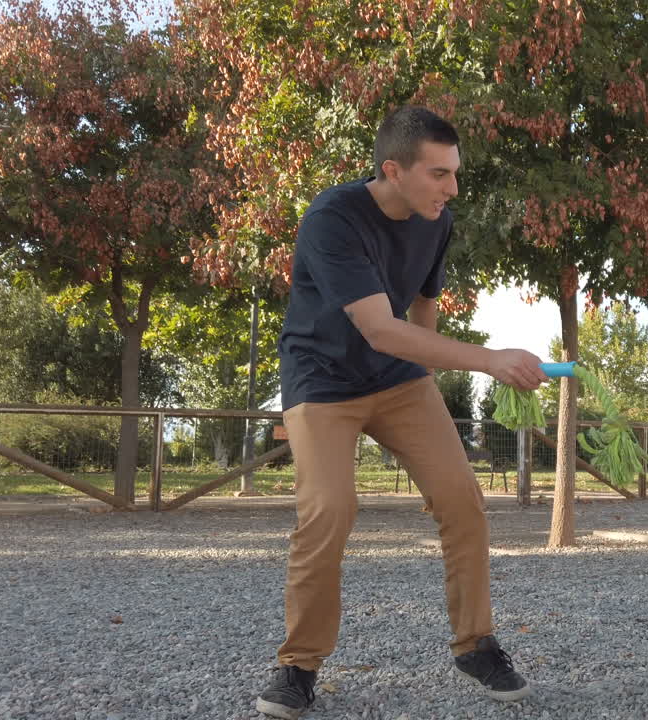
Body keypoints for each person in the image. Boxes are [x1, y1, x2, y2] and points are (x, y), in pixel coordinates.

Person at [255, 105, 549, 720]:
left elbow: (422, 305)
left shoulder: (435, 220)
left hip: (399, 381)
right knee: (330, 508)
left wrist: (429, 382)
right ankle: (299, 665)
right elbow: (380, 329)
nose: (453, 188)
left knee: (462, 498)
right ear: (393, 170)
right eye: (439, 174)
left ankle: (475, 644)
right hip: (322, 381)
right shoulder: (332, 219)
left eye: (455, 172)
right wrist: (489, 360)